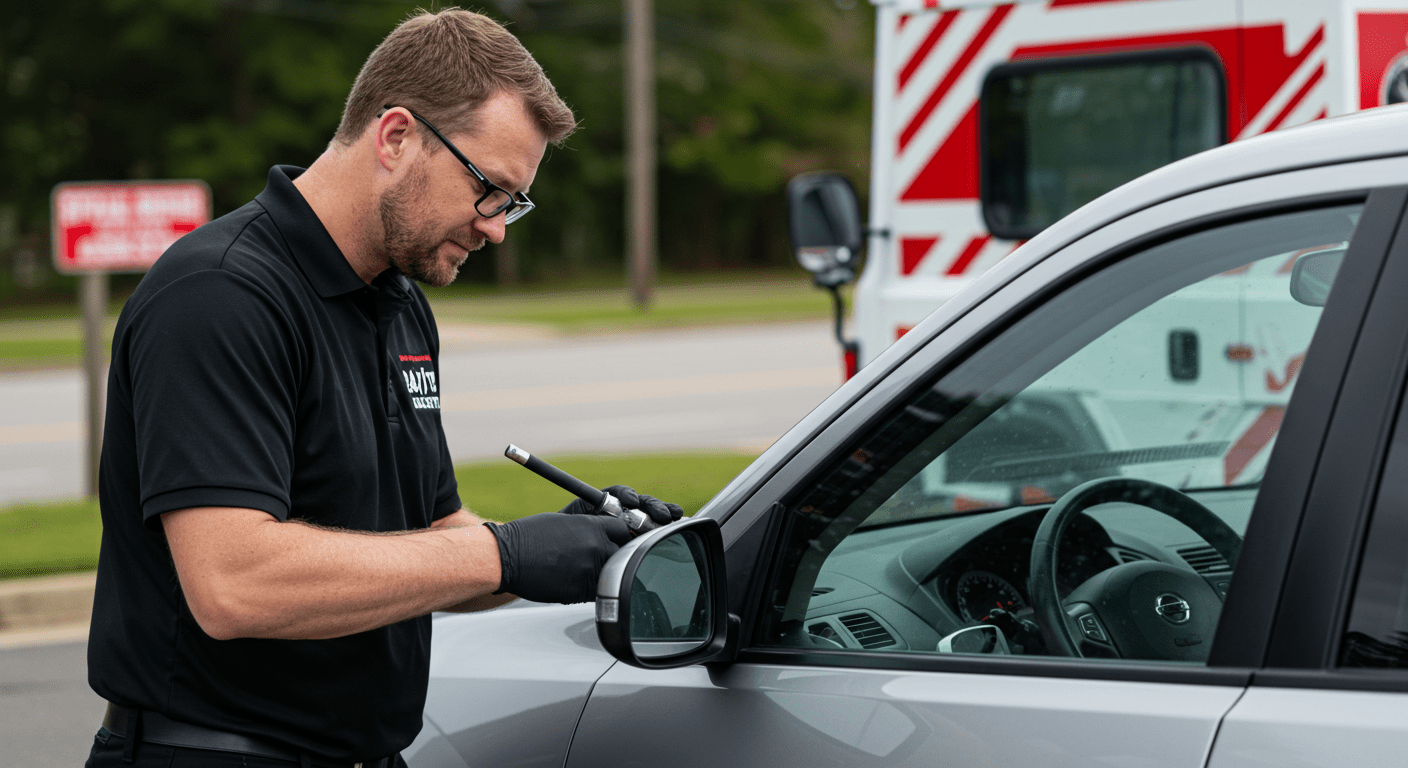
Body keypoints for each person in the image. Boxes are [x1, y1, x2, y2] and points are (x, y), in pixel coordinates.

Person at [84, 9, 682, 768]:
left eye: (513, 202)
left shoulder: (398, 303)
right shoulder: (221, 294)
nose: (497, 229)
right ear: (396, 137)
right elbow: (235, 583)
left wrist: (582, 547)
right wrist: (506, 554)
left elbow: (429, 537)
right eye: (490, 190)